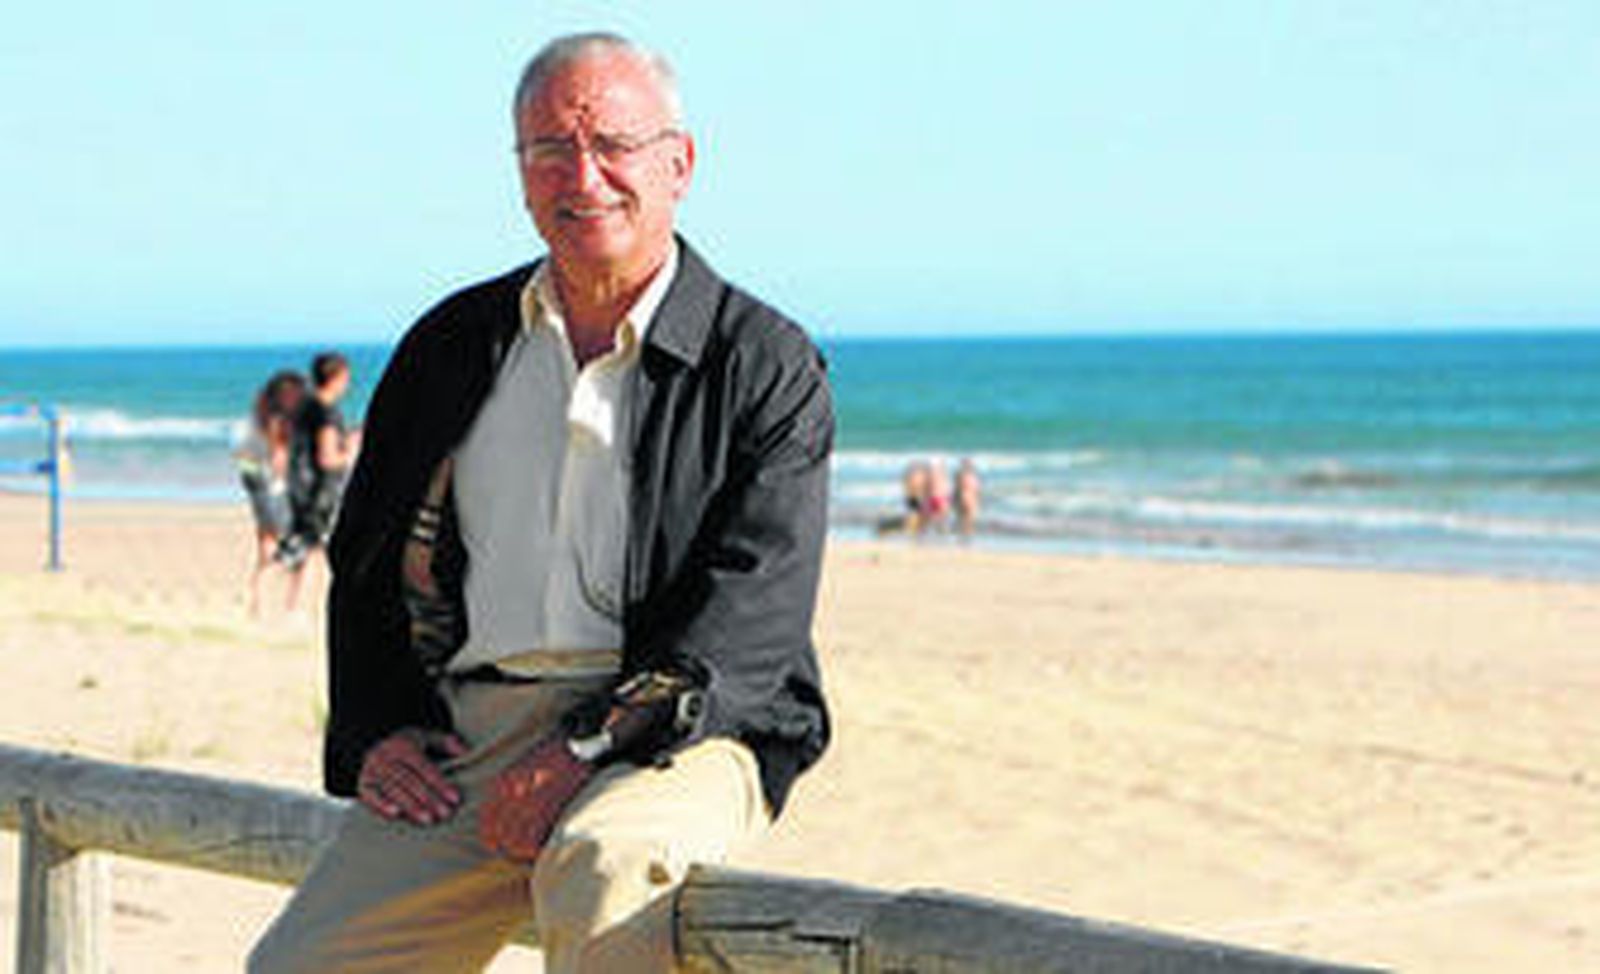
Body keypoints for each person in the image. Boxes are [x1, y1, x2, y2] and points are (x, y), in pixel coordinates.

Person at [250, 32, 833, 974]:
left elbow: (753, 616)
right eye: (551, 150)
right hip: (473, 734)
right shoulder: (451, 343)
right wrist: (377, 725)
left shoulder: (763, 362)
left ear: (679, 164)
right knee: (304, 965)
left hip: (687, 728)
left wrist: (587, 745)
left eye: (614, 145)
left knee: (601, 865)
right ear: (520, 173)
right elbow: (365, 556)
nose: (584, 175)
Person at [279, 351, 361, 608]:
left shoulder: (307, 407)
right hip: (319, 492)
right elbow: (327, 458)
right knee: (314, 550)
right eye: (346, 377)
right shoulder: (325, 413)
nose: (348, 383)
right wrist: (350, 451)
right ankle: (295, 606)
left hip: (300, 487)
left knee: (305, 550)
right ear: (336, 378)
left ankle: (292, 606)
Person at [235, 370, 306, 616]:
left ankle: (257, 602)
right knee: (295, 548)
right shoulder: (279, 421)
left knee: (266, 546)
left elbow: (245, 458)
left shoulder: (260, 415)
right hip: (273, 487)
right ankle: (288, 606)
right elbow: (279, 460)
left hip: (257, 485)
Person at [954, 457, 981, 539]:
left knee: (965, 520)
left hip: (965, 498)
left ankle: (965, 537)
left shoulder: (960, 475)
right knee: (968, 520)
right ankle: (966, 537)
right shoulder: (970, 476)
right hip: (967, 498)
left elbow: (957, 489)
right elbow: (977, 489)